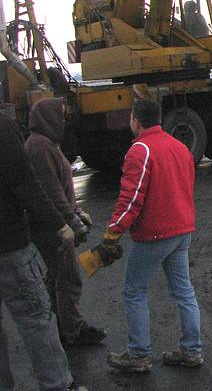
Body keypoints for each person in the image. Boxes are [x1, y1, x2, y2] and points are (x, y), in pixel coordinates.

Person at [105, 99, 202, 373]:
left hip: (156, 233)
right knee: (184, 291)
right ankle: (192, 350)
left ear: (136, 120)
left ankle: (138, 354)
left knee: (134, 290)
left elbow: (131, 198)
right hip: (182, 230)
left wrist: (113, 232)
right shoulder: (179, 146)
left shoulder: (140, 150)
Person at [0, 113, 87, 391]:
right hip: (9, 244)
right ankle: (58, 385)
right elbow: (27, 185)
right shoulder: (4, 127)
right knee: (35, 318)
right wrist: (61, 224)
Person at [25, 98, 106, 347]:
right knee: (68, 277)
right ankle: (73, 330)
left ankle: (60, 325)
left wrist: (77, 211)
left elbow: (62, 186)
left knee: (58, 276)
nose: (63, 121)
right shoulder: (39, 148)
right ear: (47, 119)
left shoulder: (47, 144)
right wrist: (70, 219)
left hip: (55, 222)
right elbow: (50, 190)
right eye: (59, 116)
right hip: (52, 226)